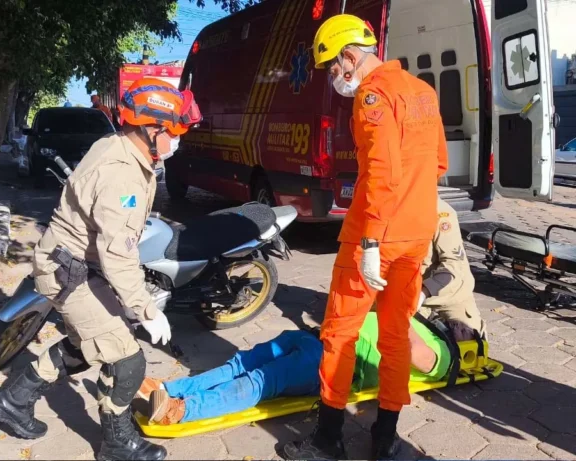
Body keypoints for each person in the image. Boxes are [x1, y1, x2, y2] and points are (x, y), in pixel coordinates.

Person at [0, 78, 201, 461]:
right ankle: (117, 444)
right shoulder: (123, 174)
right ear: (152, 129)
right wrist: (146, 310)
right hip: (69, 271)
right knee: (128, 359)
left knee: (89, 347)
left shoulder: (121, 148)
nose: (178, 142)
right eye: (175, 132)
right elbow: (117, 253)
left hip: (73, 264)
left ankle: (11, 402)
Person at [284, 14, 449, 460]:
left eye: (334, 69)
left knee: (340, 333)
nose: (334, 79)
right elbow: (436, 164)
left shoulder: (373, 97)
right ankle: (385, 439)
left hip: (374, 237)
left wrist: (372, 240)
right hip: (416, 234)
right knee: (395, 335)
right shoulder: (424, 92)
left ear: (350, 56)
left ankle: (327, 440)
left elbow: (382, 173)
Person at [142, 313, 451, 425]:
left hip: (337, 363)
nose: (462, 327)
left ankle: (181, 410)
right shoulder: (424, 321)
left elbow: (421, 359)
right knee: (241, 362)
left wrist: (397, 311)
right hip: (317, 338)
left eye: (465, 329)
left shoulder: (444, 354)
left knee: (262, 379)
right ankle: (169, 389)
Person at [420, 199, 486, 341]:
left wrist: (422, 293)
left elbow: (452, 264)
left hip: (449, 296)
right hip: (404, 294)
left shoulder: (440, 212)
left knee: (468, 345)